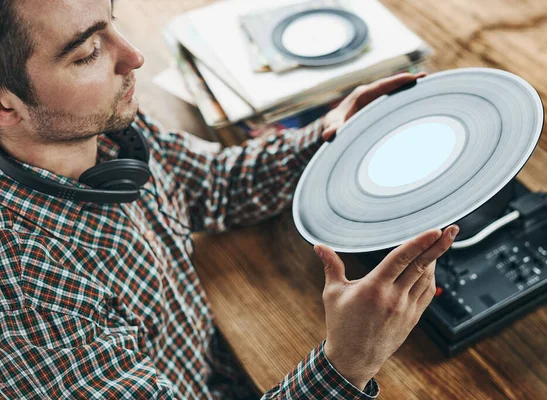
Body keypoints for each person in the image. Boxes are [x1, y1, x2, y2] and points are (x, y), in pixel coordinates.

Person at [0, 0, 458, 398]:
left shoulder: (105, 127)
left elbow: (215, 185)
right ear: (6, 105)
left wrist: (328, 134)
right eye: (88, 52)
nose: (133, 57)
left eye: (112, 22)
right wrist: (347, 364)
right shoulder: (26, 300)